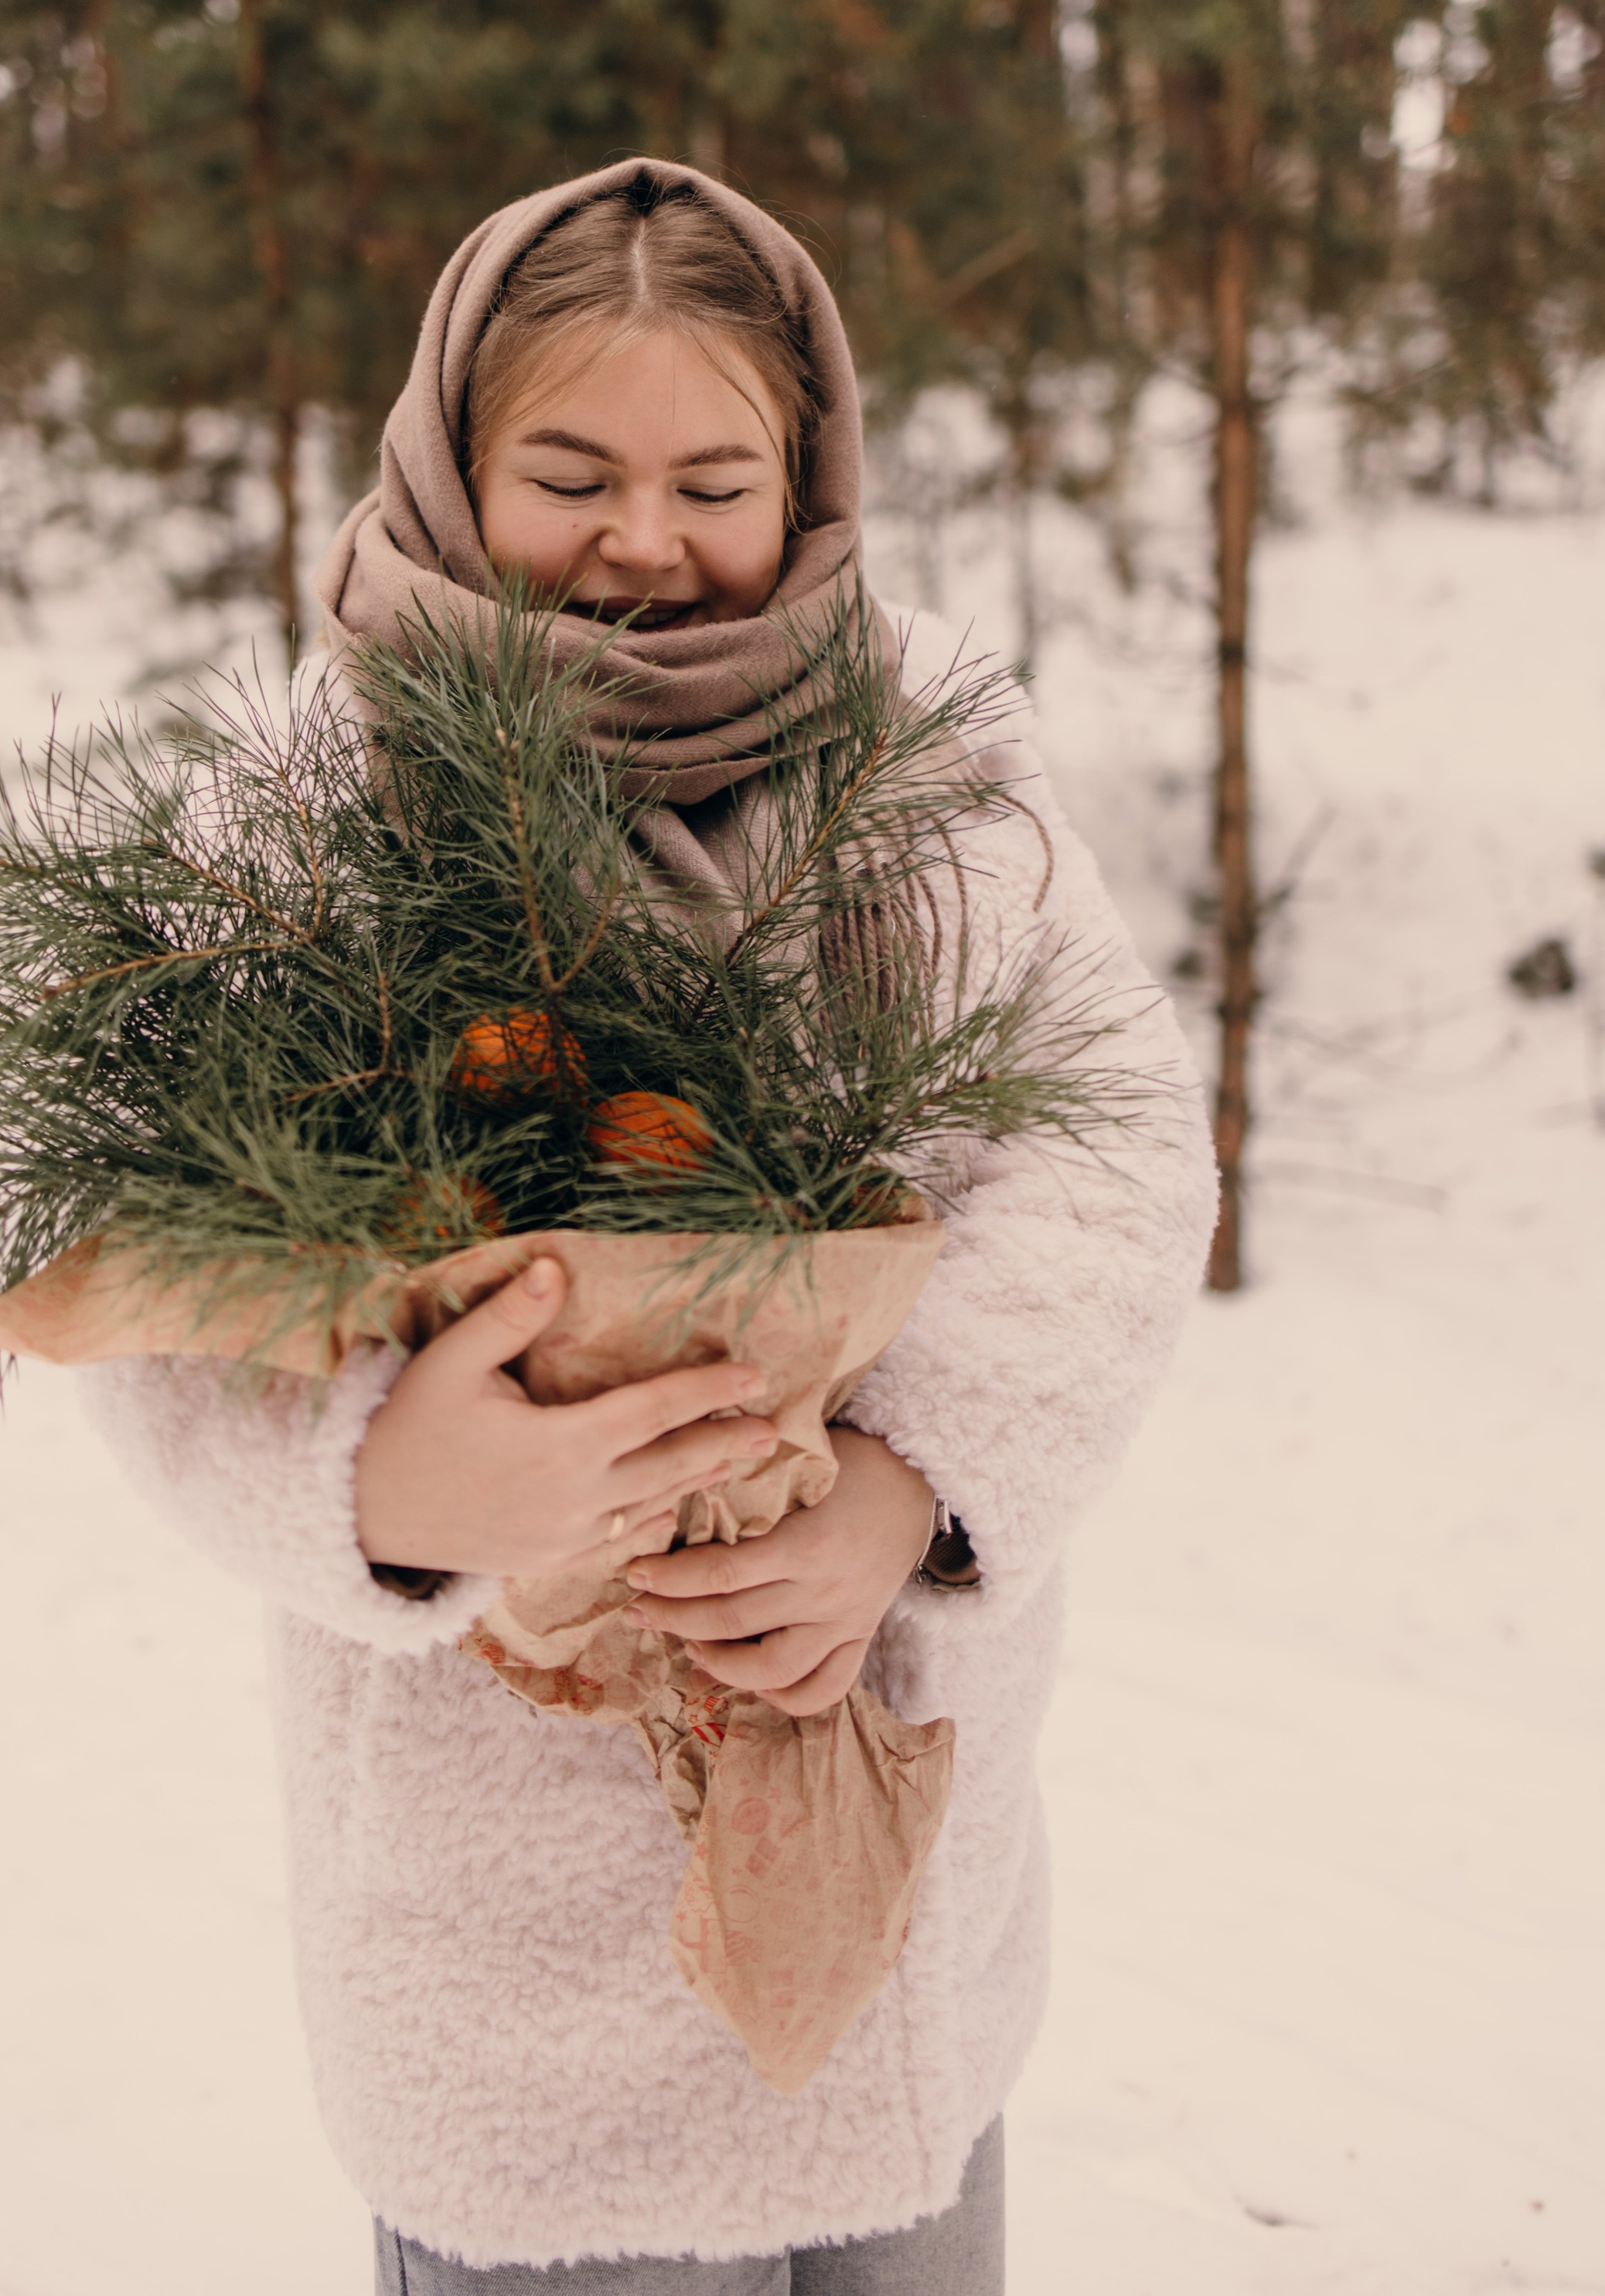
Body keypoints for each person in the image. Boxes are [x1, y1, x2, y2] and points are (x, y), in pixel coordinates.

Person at [79, 158, 1216, 2291]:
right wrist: (386, 1482)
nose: (644, 542)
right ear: (450, 458)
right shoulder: (317, 796)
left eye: (717, 481)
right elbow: (155, 1281)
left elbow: (1116, 1144)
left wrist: (914, 1484)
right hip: (513, 1959)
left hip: (888, 1883)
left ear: (810, 471)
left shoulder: (927, 756)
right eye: (570, 472)